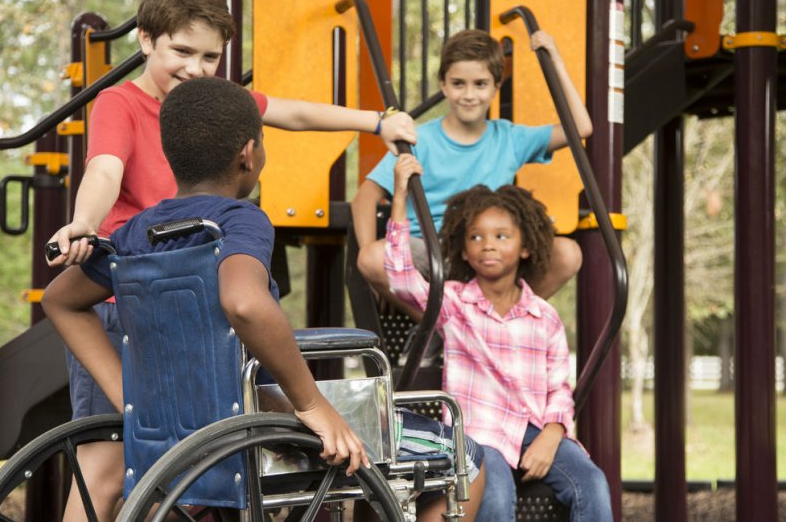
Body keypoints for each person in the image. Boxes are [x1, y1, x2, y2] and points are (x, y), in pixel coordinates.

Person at [44, 0, 416, 519]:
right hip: (131, 308)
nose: (196, 69)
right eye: (182, 51)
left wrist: (375, 121)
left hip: (197, 310)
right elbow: (104, 169)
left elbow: (292, 111)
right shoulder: (122, 105)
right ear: (145, 40)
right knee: (105, 465)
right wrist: (85, 225)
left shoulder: (213, 109)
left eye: (211, 57)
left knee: (204, 462)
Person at [42, 77, 484, 521]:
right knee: (465, 453)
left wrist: (132, 399)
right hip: (253, 420)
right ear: (249, 154)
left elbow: (60, 300)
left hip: (183, 428)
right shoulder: (239, 221)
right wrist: (313, 405)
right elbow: (244, 303)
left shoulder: (135, 232)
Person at [383, 154, 611, 521]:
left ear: (525, 247)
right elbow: (400, 280)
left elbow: (559, 388)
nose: (488, 245)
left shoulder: (544, 316)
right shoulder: (455, 303)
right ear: (464, 250)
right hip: (479, 433)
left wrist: (553, 435)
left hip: (535, 429)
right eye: (477, 237)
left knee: (592, 482)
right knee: (495, 492)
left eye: (501, 236)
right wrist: (398, 196)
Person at [353, 28, 590, 318]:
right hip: (427, 252)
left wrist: (555, 61)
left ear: (495, 87)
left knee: (568, 253)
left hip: (486, 248)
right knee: (372, 258)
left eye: (480, 84)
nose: (469, 95)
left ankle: (500, 321)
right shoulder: (419, 139)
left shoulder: (509, 138)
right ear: (443, 85)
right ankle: (443, 327)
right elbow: (365, 196)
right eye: (458, 84)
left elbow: (581, 128)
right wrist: (376, 274)